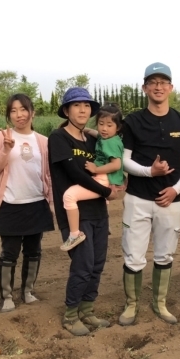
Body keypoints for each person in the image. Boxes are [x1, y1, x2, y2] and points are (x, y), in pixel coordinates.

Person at [118, 62, 180, 326]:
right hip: (138, 199)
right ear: (144, 88)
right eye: (153, 82)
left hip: (170, 202)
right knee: (134, 255)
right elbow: (124, 161)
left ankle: (160, 303)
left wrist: (176, 188)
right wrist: (150, 172)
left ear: (171, 88)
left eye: (163, 82)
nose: (158, 87)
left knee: (165, 255)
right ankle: (131, 305)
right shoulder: (133, 122)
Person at [48, 87, 118, 336]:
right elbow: (74, 173)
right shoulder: (58, 139)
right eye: (76, 105)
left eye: (86, 106)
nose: (82, 109)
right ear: (66, 110)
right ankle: (70, 315)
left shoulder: (93, 140)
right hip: (75, 213)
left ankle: (87, 310)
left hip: (98, 212)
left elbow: (114, 152)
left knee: (97, 264)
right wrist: (106, 192)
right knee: (83, 264)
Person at [0, 93, 54, 313]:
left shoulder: (43, 141)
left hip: (36, 202)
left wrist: (52, 202)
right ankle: (7, 296)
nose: (19, 115)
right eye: (14, 111)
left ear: (32, 112)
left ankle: (27, 291)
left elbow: (48, 175)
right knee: (9, 252)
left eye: (23, 109)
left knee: (34, 251)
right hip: (11, 203)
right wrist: (6, 149)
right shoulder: (1, 137)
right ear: (9, 115)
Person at [60, 103, 125, 251]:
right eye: (101, 124)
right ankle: (104, 226)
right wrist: (87, 130)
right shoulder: (108, 138)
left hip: (102, 177)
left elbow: (116, 164)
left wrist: (96, 168)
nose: (104, 128)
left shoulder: (110, 143)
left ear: (118, 127)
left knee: (69, 195)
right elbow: (98, 135)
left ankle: (75, 234)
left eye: (109, 125)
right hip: (106, 178)